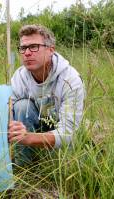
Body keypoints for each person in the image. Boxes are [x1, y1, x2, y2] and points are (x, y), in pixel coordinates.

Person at [8, 24, 85, 166]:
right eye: (23, 48)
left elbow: (68, 133)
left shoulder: (70, 79)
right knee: (21, 106)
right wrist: (10, 127)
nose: (27, 53)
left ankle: (48, 160)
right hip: (35, 127)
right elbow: (7, 108)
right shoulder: (20, 76)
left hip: (60, 133)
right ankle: (24, 168)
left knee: (67, 165)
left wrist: (29, 138)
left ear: (50, 50)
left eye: (34, 47)